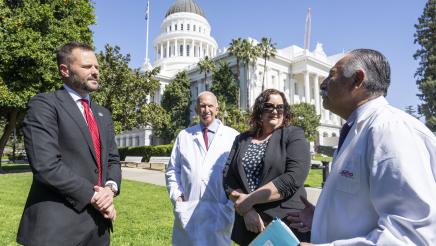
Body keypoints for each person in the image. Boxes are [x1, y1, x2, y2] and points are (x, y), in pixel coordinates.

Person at [288, 49, 436, 245]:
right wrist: (323, 218)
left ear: (357, 80)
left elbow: (410, 236)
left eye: (331, 76)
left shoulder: (389, 130)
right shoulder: (360, 130)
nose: (323, 84)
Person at [16, 42, 122, 245]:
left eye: (97, 67)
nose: (95, 72)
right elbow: (46, 166)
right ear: (64, 70)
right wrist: (95, 197)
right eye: (87, 67)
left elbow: (112, 159)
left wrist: (110, 189)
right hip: (57, 228)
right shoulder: (44, 105)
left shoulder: (103, 114)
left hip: (98, 228)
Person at [223, 88, 311, 246]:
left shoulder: (293, 135)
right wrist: (248, 211)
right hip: (249, 225)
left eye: (280, 107)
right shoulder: (242, 139)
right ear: (260, 109)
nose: (275, 111)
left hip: (285, 224)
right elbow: (228, 178)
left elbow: (293, 178)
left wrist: (247, 202)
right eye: (269, 106)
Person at [165, 91, 239, 246]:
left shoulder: (233, 137)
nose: (206, 110)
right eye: (202, 106)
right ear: (197, 110)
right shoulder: (184, 136)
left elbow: (239, 173)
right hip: (188, 208)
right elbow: (173, 170)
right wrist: (177, 196)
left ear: (217, 109)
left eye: (210, 105)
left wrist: (231, 205)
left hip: (220, 209)